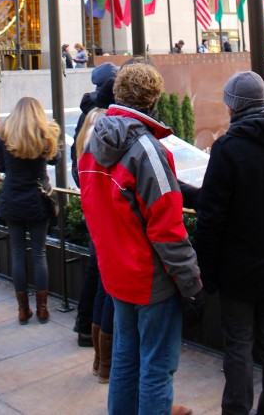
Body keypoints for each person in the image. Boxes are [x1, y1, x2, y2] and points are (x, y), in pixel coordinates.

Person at [78, 61, 203, 415]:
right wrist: (191, 284)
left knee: (125, 360)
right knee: (156, 368)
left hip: (115, 272)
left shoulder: (91, 142)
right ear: (153, 99)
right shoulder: (148, 151)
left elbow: (91, 205)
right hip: (150, 280)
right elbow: (168, 228)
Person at [194, 71, 264, 415]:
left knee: (239, 343)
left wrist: (205, 270)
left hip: (237, 270)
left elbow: (211, 217)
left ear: (234, 106)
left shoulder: (228, 149)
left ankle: (237, 410)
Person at [0, 97, 60, 325]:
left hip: (13, 198)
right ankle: (42, 309)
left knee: (18, 254)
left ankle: (23, 310)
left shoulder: (5, 134)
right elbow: (56, 159)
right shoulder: (44, 133)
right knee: (39, 253)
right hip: (38, 198)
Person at [73, 64, 119, 381]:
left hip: (94, 206)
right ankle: (103, 361)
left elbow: (80, 170)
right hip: (106, 212)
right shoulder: (105, 121)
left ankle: (94, 346)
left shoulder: (88, 117)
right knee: (105, 278)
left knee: (99, 273)